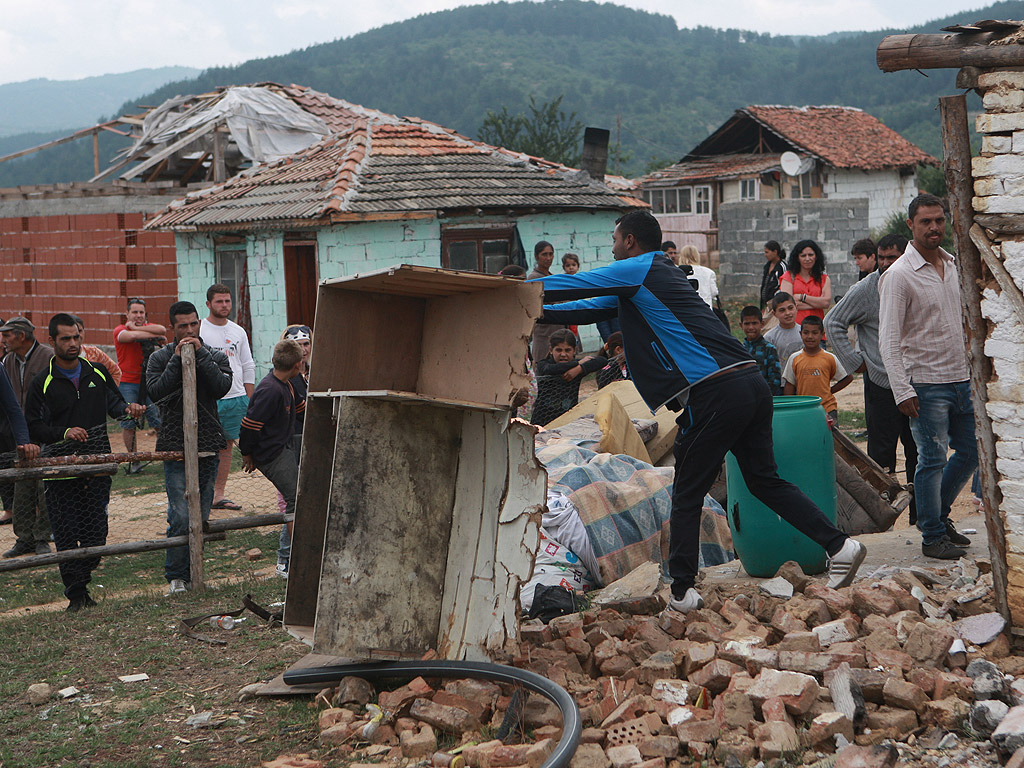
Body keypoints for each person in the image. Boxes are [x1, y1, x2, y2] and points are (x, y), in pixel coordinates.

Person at [532, 210, 865, 612]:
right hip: (750, 383)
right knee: (764, 481)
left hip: (716, 391)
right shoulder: (651, 278)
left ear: (631, 242)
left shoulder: (637, 268)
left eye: (615, 239)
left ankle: (682, 591)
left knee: (687, 490)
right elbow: (580, 309)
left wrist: (512, 287)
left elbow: (572, 285)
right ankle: (840, 545)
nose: (613, 246)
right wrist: (528, 308)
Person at [880, 194, 976, 560]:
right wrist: (901, 389)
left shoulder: (954, 265)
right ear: (911, 225)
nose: (934, 227)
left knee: (970, 453)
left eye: (939, 220)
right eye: (926, 222)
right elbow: (889, 339)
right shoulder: (899, 275)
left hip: (962, 378)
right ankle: (932, 535)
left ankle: (939, 517)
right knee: (931, 459)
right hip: (925, 384)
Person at [25, 314, 144, 611]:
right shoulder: (43, 381)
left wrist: (130, 410)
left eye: (77, 337)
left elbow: (116, 405)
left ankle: (83, 578)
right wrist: (63, 433)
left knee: (96, 535)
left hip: (97, 465)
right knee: (66, 532)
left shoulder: (98, 372)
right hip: (59, 470)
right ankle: (77, 596)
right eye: (66, 339)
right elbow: (32, 426)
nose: (73, 344)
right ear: (52, 341)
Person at [825, 233, 917, 520]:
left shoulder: (915, 279)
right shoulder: (867, 289)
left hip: (916, 383)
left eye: (894, 257)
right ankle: (881, 519)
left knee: (919, 454)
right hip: (881, 384)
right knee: (881, 458)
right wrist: (855, 362)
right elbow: (833, 321)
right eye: (882, 258)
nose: (887, 264)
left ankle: (922, 518)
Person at [146, 301, 232, 594]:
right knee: (180, 514)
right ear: (172, 327)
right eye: (182, 326)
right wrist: (177, 359)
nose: (189, 330)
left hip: (208, 443)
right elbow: (156, 391)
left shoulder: (215, 355)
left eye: (193, 324)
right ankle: (177, 577)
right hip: (174, 444)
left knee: (201, 513)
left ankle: (196, 572)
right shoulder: (158, 358)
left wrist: (199, 354)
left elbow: (221, 386)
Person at [239, 340, 306, 578]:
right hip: (271, 454)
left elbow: (302, 408)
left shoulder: (286, 385)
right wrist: (248, 454)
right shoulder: (270, 390)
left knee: (301, 494)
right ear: (298, 365)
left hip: (285, 446)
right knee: (295, 498)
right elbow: (249, 426)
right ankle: (293, 559)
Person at [200, 284, 256, 512]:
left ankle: (218, 495)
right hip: (209, 400)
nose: (224, 306)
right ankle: (200, 493)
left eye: (227, 301)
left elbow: (247, 365)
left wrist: (249, 399)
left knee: (226, 447)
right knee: (204, 448)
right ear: (208, 304)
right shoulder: (200, 330)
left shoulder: (238, 331)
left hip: (236, 398)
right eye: (219, 301)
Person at [1, 316, 53, 558]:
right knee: (21, 487)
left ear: (21, 336)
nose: (3, 339)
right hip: (20, 436)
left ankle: (43, 537)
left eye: (7, 334)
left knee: (43, 488)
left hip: (44, 433)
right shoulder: (8, 361)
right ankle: (24, 539)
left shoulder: (48, 357)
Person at [273, 324, 312, 576]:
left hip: (312, 442)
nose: (304, 348)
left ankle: (295, 556)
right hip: (289, 443)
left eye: (307, 343)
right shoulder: (285, 377)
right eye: (298, 344)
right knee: (291, 501)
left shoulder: (315, 373)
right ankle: (286, 559)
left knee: (306, 500)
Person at [113, 298, 166, 469]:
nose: (138, 316)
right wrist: (144, 332)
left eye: (141, 312)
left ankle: (165, 455)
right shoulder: (119, 330)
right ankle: (133, 459)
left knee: (157, 419)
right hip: (128, 383)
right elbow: (132, 336)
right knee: (129, 422)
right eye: (134, 312)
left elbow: (162, 330)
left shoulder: (143, 327)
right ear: (127, 314)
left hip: (148, 382)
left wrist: (138, 327)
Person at [782, 316, 852, 428]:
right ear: (801, 334)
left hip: (827, 409)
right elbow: (790, 384)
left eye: (815, 333)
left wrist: (830, 391)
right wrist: (789, 408)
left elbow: (847, 378)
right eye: (806, 332)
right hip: (803, 409)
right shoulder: (795, 358)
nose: (810, 337)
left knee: (831, 441)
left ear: (822, 334)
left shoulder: (829, 358)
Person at [531, 329, 606, 426]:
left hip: (568, 418)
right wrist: (577, 363)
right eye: (558, 350)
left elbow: (602, 361)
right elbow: (550, 369)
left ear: (574, 350)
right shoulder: (543, 364)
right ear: (550, 350)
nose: (563, 354)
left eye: (567, 350)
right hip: (542, 420)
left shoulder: (577, 369)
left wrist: (579, 369)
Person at [779, 240, 832, 326]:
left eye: (811, 255)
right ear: (797, 258)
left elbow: (826, 303)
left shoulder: (824, 278)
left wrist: (802, 297)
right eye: (803, 255)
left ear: (816, 256)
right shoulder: (788, 277)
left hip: (817, 330)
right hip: (794, 329)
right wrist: (817, 304)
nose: (807, 259)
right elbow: (787, 304)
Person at [529, 241, 565, 360]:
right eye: (544, 254)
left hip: (558, 329)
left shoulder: (551, 276)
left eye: (551, 254)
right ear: (536, 256)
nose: (548, 258)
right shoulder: (534, 278)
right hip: (544, 331)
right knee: (543, 365)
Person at [740, 305, 782, 396]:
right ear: (741, 325)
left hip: (764, 399)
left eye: (754, 323)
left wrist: (763, 396)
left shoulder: (769, 349)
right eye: (747, 324)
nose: (751, 327)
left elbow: (775, 380)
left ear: (762, 324)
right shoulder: (739, 350)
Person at [70, 315, 122, 385]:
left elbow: (115, 372)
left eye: (80, 331)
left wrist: (107, 392)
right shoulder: (57, 356)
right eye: (72, 332)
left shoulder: (94, 353)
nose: (77, 335)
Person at [764, 292, 803, 366]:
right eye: (782, 310)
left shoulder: (805, 332)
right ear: (774, 313)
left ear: (796, 308)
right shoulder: (770, 337)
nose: (787, 313)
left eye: (790, 308)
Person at [677, 244, 719, 309]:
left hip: (684, 310)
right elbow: (714, 292)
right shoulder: (709, 272)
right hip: (706, 310)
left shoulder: (677, 272)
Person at [760, 240, 787, 311]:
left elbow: (783, 286)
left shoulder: (782, 267)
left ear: (775, 252)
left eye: (767, 252)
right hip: (766, 305)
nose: (765, 255)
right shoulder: (767, 266)